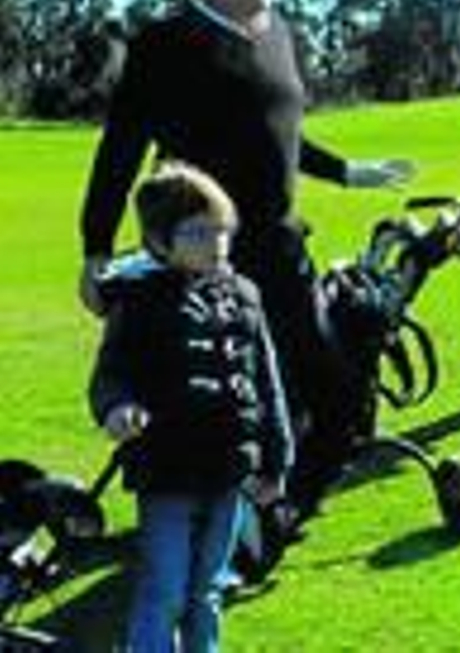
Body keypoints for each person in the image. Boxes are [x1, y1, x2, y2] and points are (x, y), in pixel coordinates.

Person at [78, 0, 413, 519]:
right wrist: (95, 248)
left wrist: (347, 171)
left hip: (280, 251)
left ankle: (280, 511)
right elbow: (120, 151)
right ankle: (215, 521)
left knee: (332, 391)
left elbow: (279, 131)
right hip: (198, 257)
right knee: (218, 396)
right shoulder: (163, 45)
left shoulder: (278, 33)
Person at [90, 162, 293, 653]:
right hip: (167, 472)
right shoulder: (139, 302)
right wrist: (117, 408)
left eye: (222, 229)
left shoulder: (244, 297)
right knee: (165, 590)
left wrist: (276, 457)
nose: (215, 242)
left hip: (228, 472)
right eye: (198, 232)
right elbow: (110, 373)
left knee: (208, 589)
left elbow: (267, 380)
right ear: (160, 242)